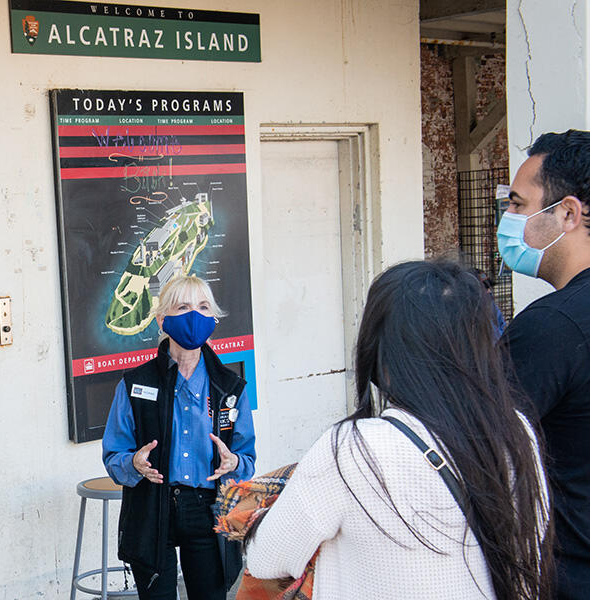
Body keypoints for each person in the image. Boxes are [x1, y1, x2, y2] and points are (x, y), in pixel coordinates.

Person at [244, 260, 551, 599]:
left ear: (381, 349)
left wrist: (259, 521)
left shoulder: (353, 448)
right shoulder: (516, 430)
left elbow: (267, 560)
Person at [102, 274, 256, 600]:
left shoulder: (230, 387)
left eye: (202, 307)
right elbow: (114, 455)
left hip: (207, 509)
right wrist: (133, 463)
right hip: (152, 507)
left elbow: (247, 457)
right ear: (161, 319)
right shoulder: (134, 385)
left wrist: (234, 462)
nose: (194, 315)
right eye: (183, 306)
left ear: (213, 319)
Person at [499, 129, 590, 599]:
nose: (508, 219)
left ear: (568, 214)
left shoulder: (551, 328)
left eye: (517, 204)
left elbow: (480, 451)